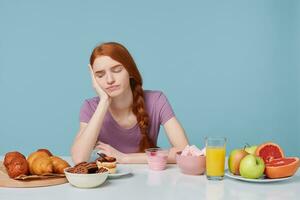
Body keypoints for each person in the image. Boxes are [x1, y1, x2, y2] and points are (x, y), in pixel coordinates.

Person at [71, 42, 189, 164]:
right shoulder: (90, 107)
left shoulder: (156, 100)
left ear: (130, 71)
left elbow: (185, 152)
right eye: (100, 75)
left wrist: (124, 158)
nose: (110, 80)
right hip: (108, 180)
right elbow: (79, 159)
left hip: (150, 177)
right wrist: (104, 102)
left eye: (117, 70)